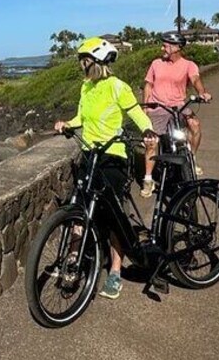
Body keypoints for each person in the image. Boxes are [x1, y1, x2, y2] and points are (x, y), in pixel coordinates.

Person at [54, 37, 156, 300]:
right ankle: (73, 259)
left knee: (112, 214)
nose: (80, 65)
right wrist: (68, 124)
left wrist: (147, 129)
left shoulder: (117, 87)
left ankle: (115, 272)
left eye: (83, 60)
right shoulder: (86, 88)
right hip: (90, 154)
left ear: (95, 61)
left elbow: (136, 113)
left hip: (113, 157)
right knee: (81, 206)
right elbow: (81, 117)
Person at [141, 32, 213, 197]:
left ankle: (192, 158)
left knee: (195, 125)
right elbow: (148, 85)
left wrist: (202, 93)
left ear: (176, 47)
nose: (162, 48)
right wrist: (145, 107)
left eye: (165, 45)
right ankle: (148, 179)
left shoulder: (189, 65)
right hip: (158, 106)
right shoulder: (156, 63)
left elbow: (195, 80)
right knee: (151, 142)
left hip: (179, 105)